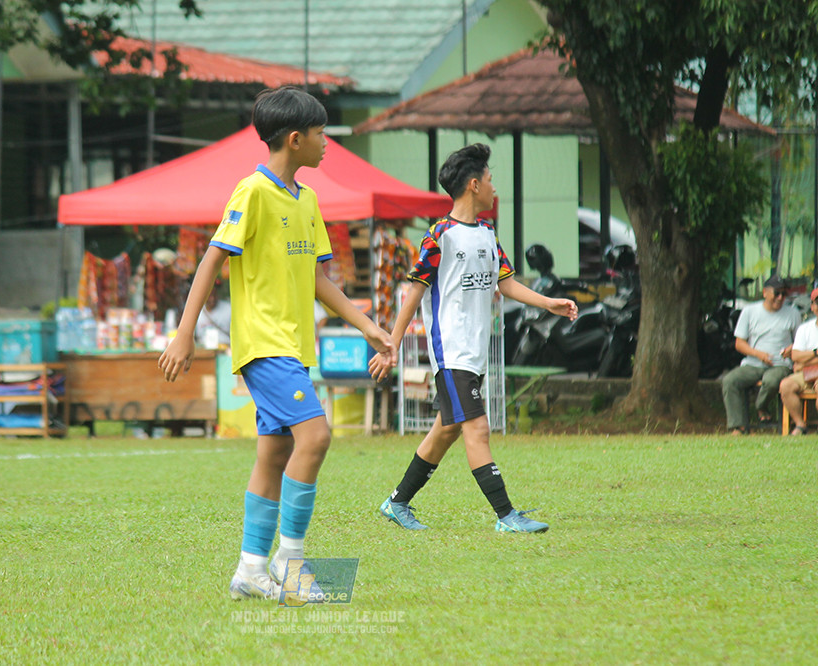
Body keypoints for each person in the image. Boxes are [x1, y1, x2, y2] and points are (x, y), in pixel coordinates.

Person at [158, 86, 395, 601]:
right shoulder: (252, 192)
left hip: (292, 348)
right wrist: (184, 332)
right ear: (295, 139)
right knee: (315, 438)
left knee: (275, 453)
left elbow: (318, 279)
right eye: (320, 133)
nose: (326, 142)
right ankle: (290, 564)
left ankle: (249, 570)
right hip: (263, 346)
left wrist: (366, 324)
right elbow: (211, 260)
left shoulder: (307, 199)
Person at [369, 143, 577, 533]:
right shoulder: (439, 236)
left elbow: (508, 283)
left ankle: (397, 503)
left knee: (447, 429)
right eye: (491, 181)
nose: (494, 189)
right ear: (473, 184)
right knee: (477, 429)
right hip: (452, 353)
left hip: (474, 354)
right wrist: (392, 343)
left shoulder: (486, 233)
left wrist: (549, 303)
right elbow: (413, 292)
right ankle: (506, 515)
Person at [721, 275, 800, 435]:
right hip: (753, 363)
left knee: (770, 381)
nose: (780, 298)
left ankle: (760, 407)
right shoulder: (749, 311)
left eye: (784, 294)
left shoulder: (793, 313)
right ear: (765, 292)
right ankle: (738, 426)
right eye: (776, 293)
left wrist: (790, 350)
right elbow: (739, 343)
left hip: (780, 364)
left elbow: (799, 342)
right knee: (730, 381)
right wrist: (758, 354)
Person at [778, 287, 818, 435]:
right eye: (817, 303)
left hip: (807, 370)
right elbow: (795, 356)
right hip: (806, 373)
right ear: (812, 306)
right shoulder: (804, 329)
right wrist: (816, 352)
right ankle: (800, 425)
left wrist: (803, 363)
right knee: (786, 385)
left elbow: (800, 360)